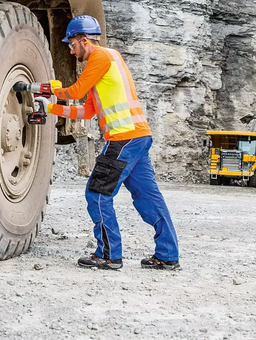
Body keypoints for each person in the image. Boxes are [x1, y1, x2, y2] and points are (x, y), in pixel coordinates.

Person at [45, 15, 180, 271]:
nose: (70, 50)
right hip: (137, 136)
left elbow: (75, 92)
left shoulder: (100, 57)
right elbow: (86, 112)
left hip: (123, 137)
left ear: (84, 40)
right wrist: (51, 108)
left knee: (97, 193)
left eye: (71, 44)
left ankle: (108, 255)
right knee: (149, 198)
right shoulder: (109, 62)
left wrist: (51, 90)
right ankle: (168, 255)